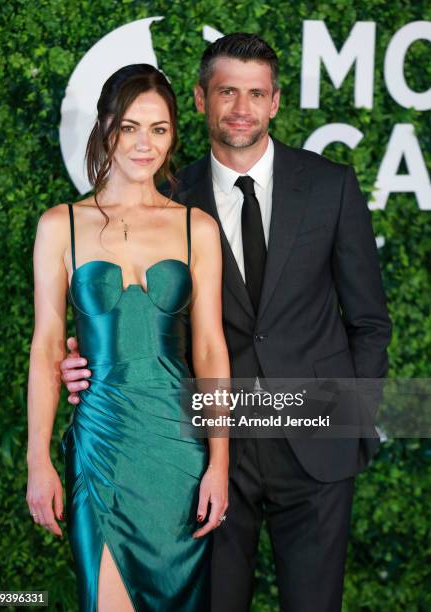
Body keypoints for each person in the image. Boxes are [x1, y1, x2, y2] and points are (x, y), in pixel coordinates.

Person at [61, 34, 392, 612]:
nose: (241, 108)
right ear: (199, 99)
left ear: (276, 102)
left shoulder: (329, 185)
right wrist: (86, 359)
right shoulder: (166, 194)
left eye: (256, 93)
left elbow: (369, 321)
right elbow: (145, 323)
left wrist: (351, 420)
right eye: (227, 92)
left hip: (316, 444)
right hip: (205, 451)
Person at [26, 64, 230, 612]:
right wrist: (37, 461)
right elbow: (47, 348)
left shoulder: (197, 228)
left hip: (180, 452)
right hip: (102, 446)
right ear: (106, 128)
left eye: (159, 129)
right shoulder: (60, 226)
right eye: (131, 127)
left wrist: (219, 463)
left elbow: (210, 348)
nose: (145, 144)